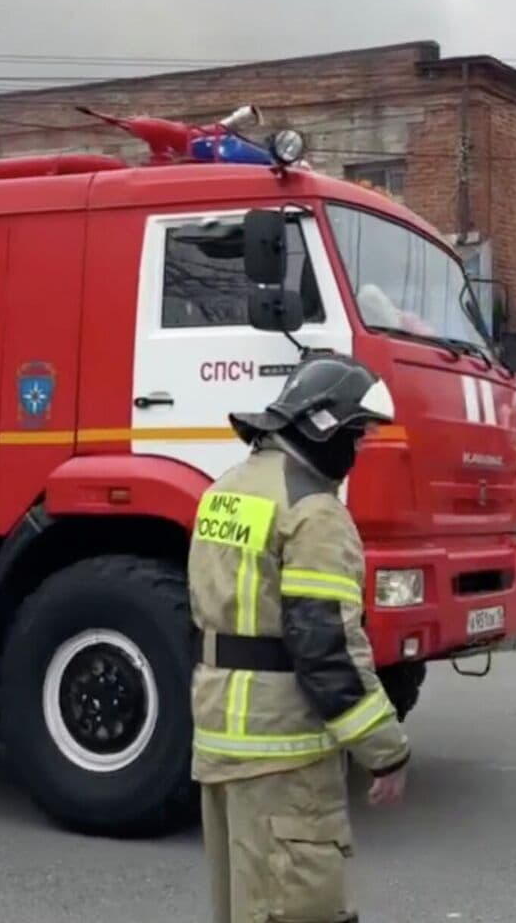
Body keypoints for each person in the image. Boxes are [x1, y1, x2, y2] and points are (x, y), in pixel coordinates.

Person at [189, 353, 410, 923]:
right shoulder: (314, 512)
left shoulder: (225, 490)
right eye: (356, 436)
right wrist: (385, 751)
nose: (357, 452)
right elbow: (326, 648)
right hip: (282, 755)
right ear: (323, 426)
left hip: (221, 743)